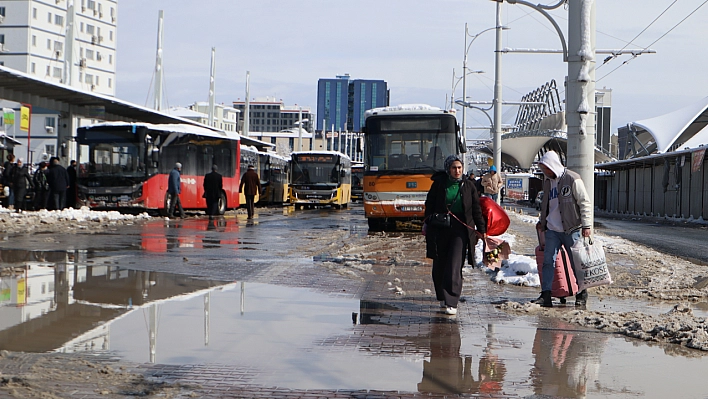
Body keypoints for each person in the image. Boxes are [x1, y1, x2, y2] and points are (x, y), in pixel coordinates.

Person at [425, 155, 487, 315]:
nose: (457, 171)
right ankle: (442, 295)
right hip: (440, 228)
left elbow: (476, 209)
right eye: (454, 168)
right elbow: (429, 204)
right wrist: (427, 221)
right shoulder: (439, 184)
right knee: (439, 264)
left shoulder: (469, 186)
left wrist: (482, 229)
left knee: (454, 264)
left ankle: (452, 300)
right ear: (448, 169)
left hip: (461, 229)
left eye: (459, 168)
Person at [534, 150, 592, 308]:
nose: (545, 172)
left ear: (552, 165)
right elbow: (547, 204)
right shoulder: (547, 182)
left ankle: (582, 293)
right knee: (548, 261)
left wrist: (587, 225)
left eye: (546, 168)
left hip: (571, 228)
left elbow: (584, 202)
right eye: (543, 169)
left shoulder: (572, 179)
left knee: (576, 263)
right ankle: (546, 294)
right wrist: (542, 221)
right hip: (552, 230)